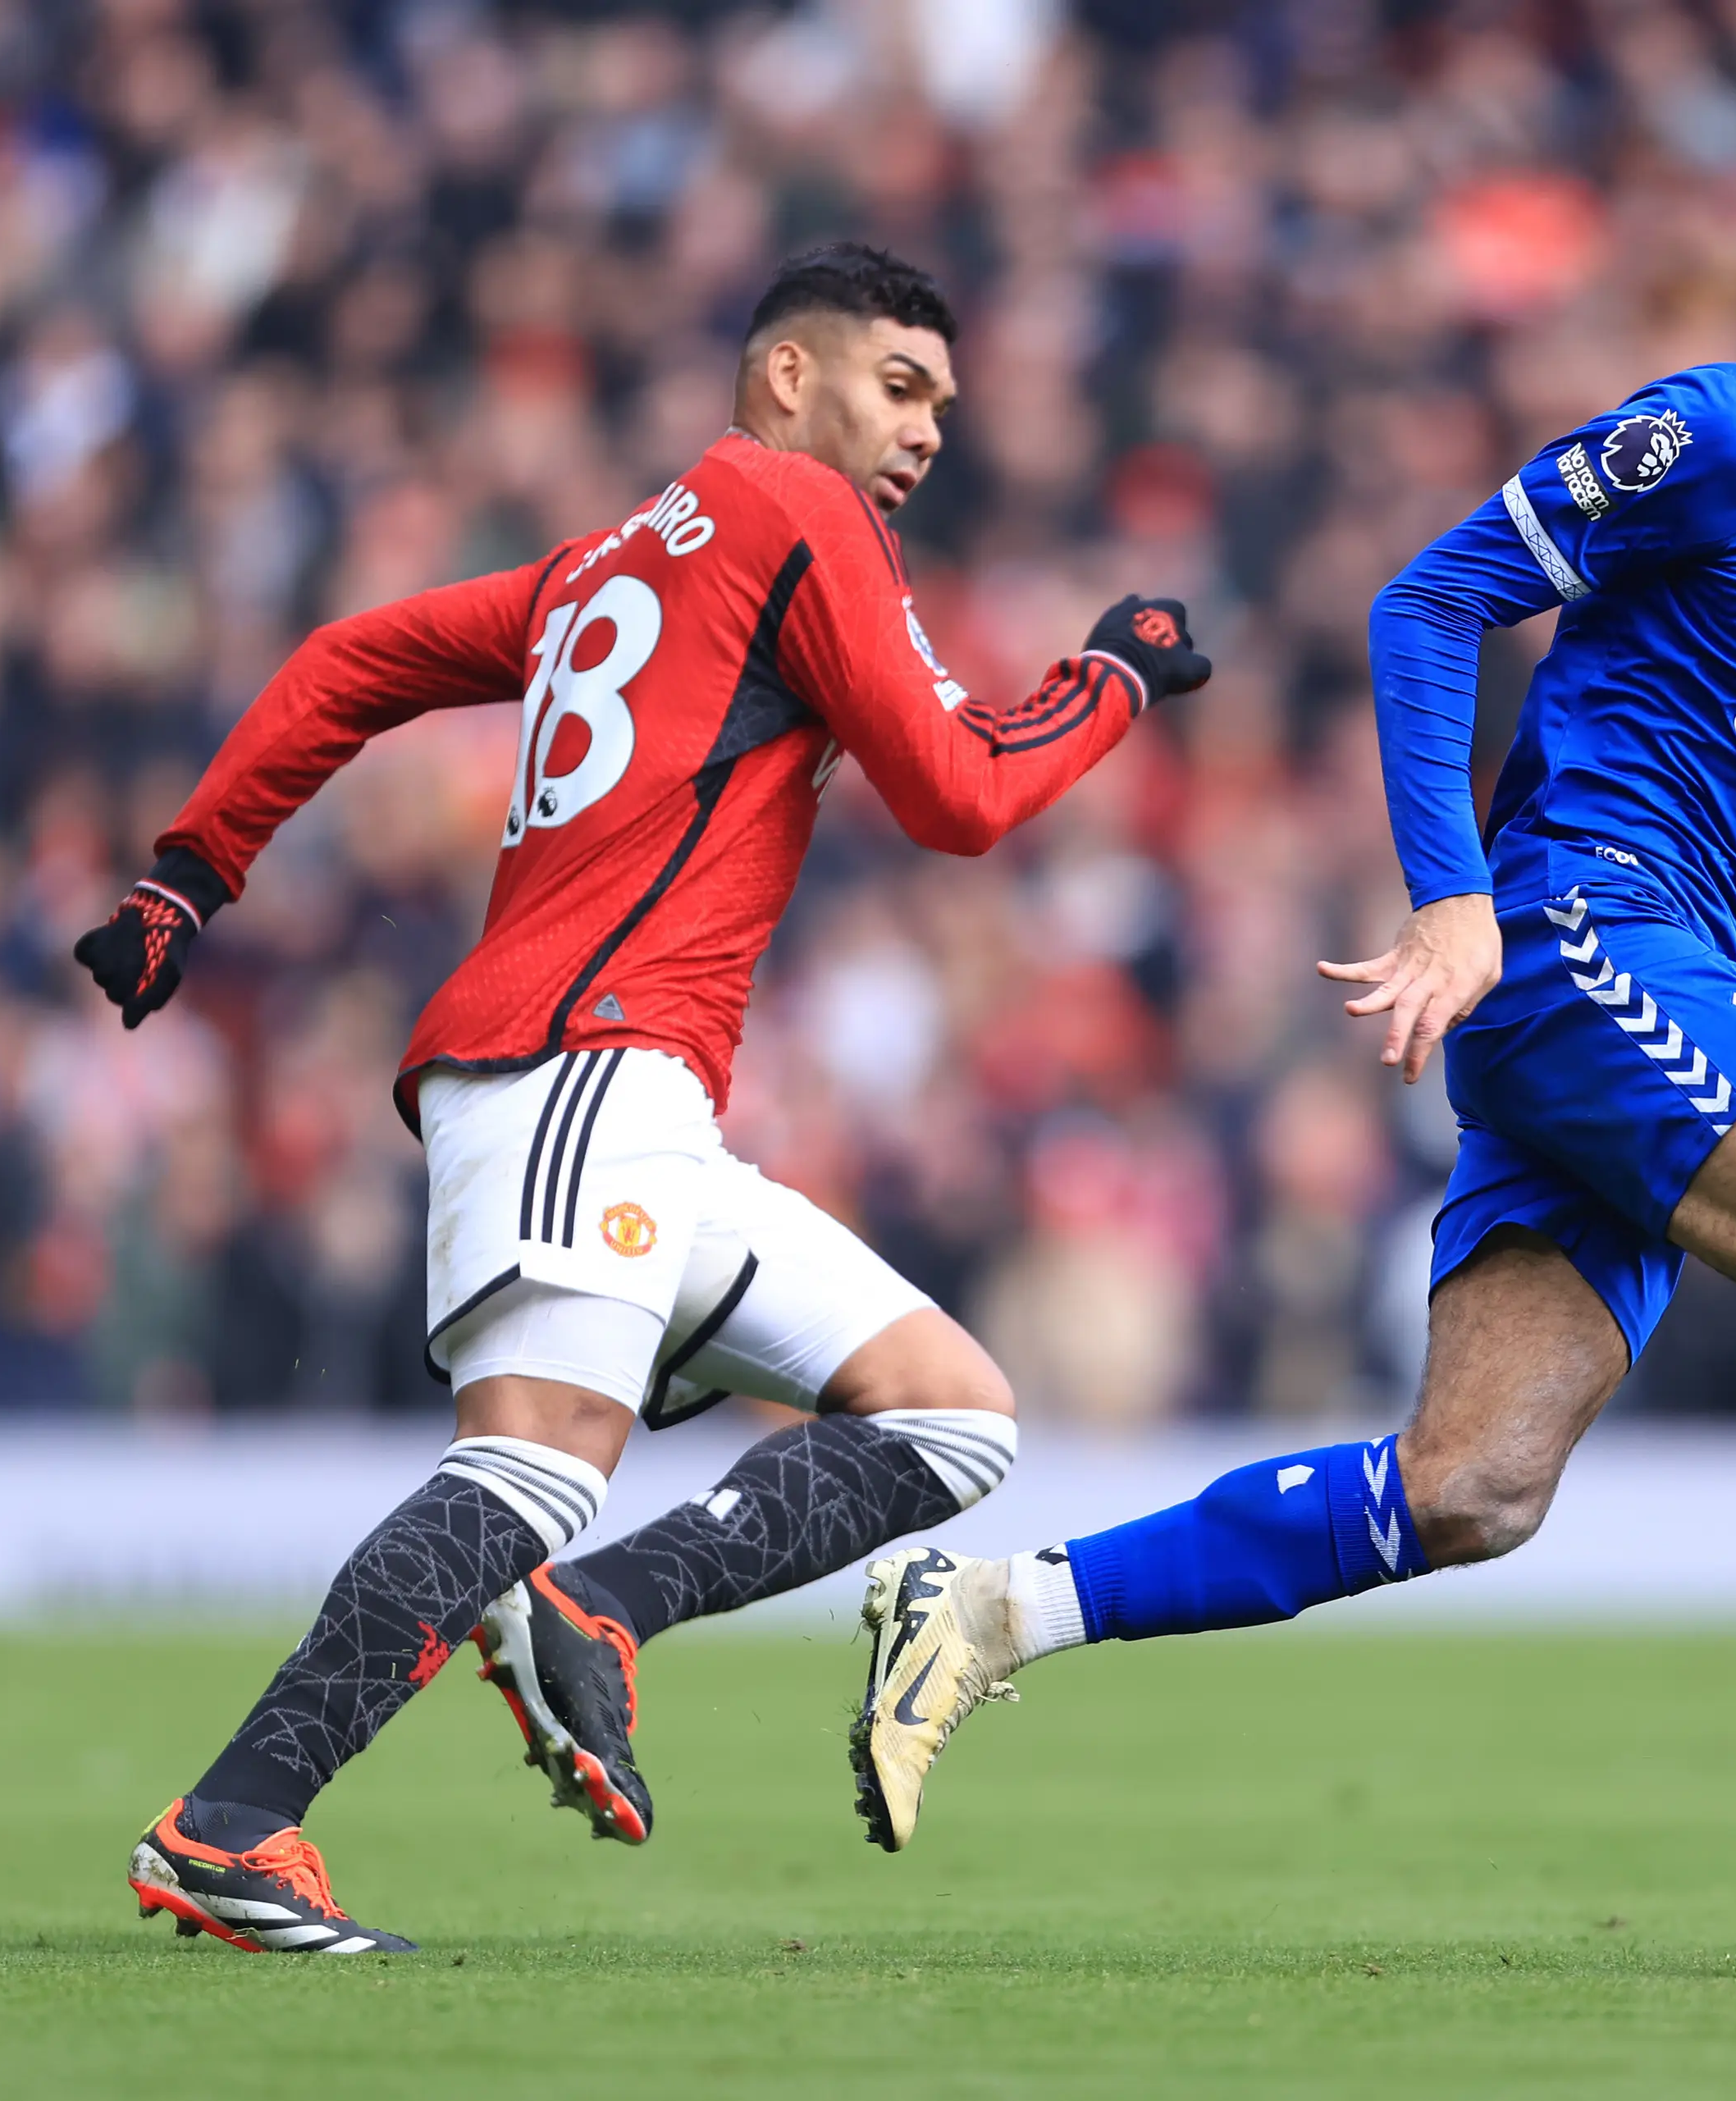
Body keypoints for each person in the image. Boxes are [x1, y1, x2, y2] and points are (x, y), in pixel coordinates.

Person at [843, 158, 1736, 1965]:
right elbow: (1428, 601)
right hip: (1585, 933)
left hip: (1655, 966)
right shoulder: (1729, 435)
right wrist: (1454, 898)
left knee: (1468, 1485)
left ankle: (987, 1608)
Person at [80, 244, 1212, 1955]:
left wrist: (193, 867)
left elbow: (351, 658)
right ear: (788, 378)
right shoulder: (796, 510)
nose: (927, 431)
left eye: (941, 404)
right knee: (528, 1470)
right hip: (580, 1064)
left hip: (630, 1097)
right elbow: (962, 793)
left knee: (951, 1413)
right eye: (900, 386)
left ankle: (600, 1606)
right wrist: (1109, 680)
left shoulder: (606, 562)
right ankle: (231, 1823)